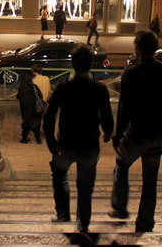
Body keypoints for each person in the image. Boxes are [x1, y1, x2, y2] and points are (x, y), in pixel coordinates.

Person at [109, 30, 162, 233]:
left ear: (137, 49)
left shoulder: (131, 74)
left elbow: (124, 110)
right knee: (150, 180)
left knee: (121, 166)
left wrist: (117, 137)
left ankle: (120, 207)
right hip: (158, 135)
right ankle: (145, 222)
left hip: (137, 134)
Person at [43, 45, 114, 234]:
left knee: (59, 174)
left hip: (64, 144)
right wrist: (108, 132)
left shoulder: (63, 87)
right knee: (85, 186)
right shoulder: (100, 89)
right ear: (91, 64)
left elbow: (49, 116)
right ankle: (83, 225)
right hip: (89, 146)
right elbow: (107, 117)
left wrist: (51, 141)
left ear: (72, 64)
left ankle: (63, 213)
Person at [17, 73, 43, 144]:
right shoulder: (34, 87)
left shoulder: (22, 89)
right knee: (35, 125)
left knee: (26, 124)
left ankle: (24, 139)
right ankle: (38, 140)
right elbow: (41, 95)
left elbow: (18, 96)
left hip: (25, 110)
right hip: (35, 109)